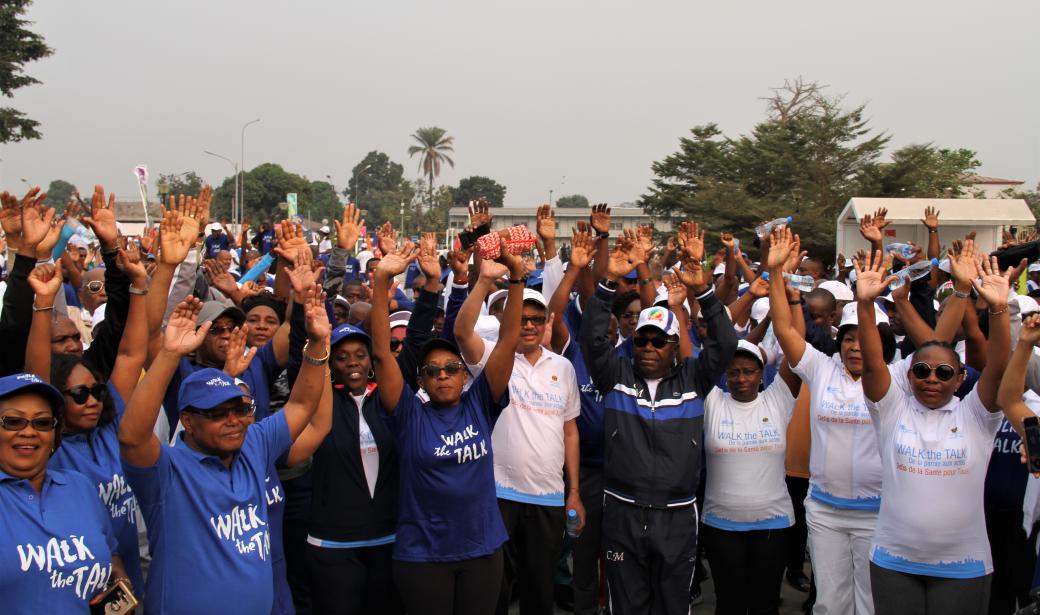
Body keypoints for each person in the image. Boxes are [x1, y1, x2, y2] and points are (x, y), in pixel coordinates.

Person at [117, 292, 330, 615]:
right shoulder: (166, 472)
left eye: (240, 409)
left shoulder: (253, 446)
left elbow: (301, 404)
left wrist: (317, 342)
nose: (233, 421)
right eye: (216, 413)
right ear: (187, 421)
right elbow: (132, 438)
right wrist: (169, 355)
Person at [580, 221, 737, 615]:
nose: (648, 347)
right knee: (625, 607)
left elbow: (725, 343)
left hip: (678, 516)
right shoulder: (614, 376)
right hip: (621, 512)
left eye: (658, 341)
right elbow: (591, 338)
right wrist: (609, 281)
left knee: (672, 607)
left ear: (674, 346)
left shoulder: (694, 378)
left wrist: (704, 291)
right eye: (641, 340)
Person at [371, 238, 525, 615]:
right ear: (420, 381)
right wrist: (379, 284)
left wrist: (517, 279)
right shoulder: (409, 415)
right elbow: (380, 355)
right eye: (432, 371)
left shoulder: (480, 404)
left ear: (464, 376)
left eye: (452, 368)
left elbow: (508, 341)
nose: (442, 375)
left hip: (482, 551)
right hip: (423, 556)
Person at [857, 250, 1010, 614]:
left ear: (960, 380)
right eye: (921, 370)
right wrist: (865, 305)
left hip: (963, 564)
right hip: (894, 562)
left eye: (943, 373)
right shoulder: (891, 409)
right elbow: (872, 362)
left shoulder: (977, 414)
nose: (931, 379)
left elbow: (999, 370)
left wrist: (1000, 310)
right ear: (908, 375)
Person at [454, 250, 583, 615]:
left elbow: (570, 432)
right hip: (497, 495)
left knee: (539, 593)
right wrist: (482, 280)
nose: (528, 325)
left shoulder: (563, 368)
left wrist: (573, 493)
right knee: (494, 590)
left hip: (548, 498)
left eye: (536, 319)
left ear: (548, 323)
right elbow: (462, 332)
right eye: (521, 318)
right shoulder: (493, 358)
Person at [0, 372, 129, 612]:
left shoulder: (79, 487)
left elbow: (110, 554)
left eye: (42, 422)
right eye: (13, 421)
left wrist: (119, 581)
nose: (29, 432)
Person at [306, 323, 403, 614]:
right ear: (330, 364)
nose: (352, 363)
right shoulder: (319, 404)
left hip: (389, 537)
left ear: (371, 361)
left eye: (360, 354)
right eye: (342, 356)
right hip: (335, 544)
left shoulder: (389, 401)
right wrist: (313, 337)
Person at [702, 331, 801, 614]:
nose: (741, 379)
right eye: (733, 372)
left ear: (762, 373)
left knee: (765, 604)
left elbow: (794, 348)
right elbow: (689, 352)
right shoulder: (712, 401)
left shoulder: (777, 399)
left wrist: (788, 299)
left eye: (748, 372)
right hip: (721, 526)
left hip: (774, 524)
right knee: (729, 603)